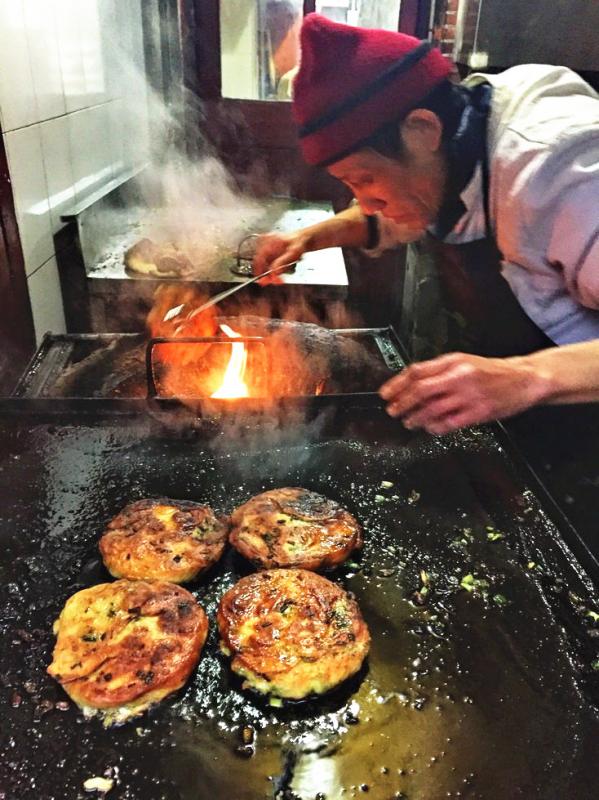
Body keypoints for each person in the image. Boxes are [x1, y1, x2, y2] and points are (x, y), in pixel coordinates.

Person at [252, 13, 599, 435]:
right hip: (528, 419)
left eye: (365, 178)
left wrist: (528, 377)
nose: (366, 202)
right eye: (350, 184)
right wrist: (311, 237)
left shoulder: (565, 174)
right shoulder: (457, 132)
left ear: (421, 128)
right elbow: (398, 213)